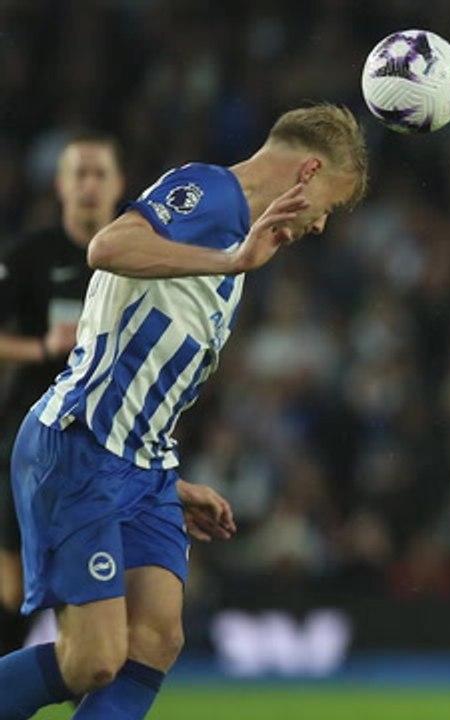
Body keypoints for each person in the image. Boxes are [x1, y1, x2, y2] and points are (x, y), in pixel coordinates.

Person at [0, 103, 367, 720]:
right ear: (308, 171)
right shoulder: (213, 195)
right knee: (92, 661)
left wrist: (167, 481)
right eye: (330, 202)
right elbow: (108, 245)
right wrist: (230, 260)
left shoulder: (241, 235)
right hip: (79, 445)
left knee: (157, 639)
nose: (323, 223)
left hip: (141, 465)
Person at [0, 133, 121, 655]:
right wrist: (41, 348)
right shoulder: (30, 256)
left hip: (108, 443)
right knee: (13, 590)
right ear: (60, 184)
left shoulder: (136, 257)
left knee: (97, 584)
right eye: (80, 173)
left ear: (118, 184)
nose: (89, 185)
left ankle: (84, 669)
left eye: (100, 174)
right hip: (28, 440)